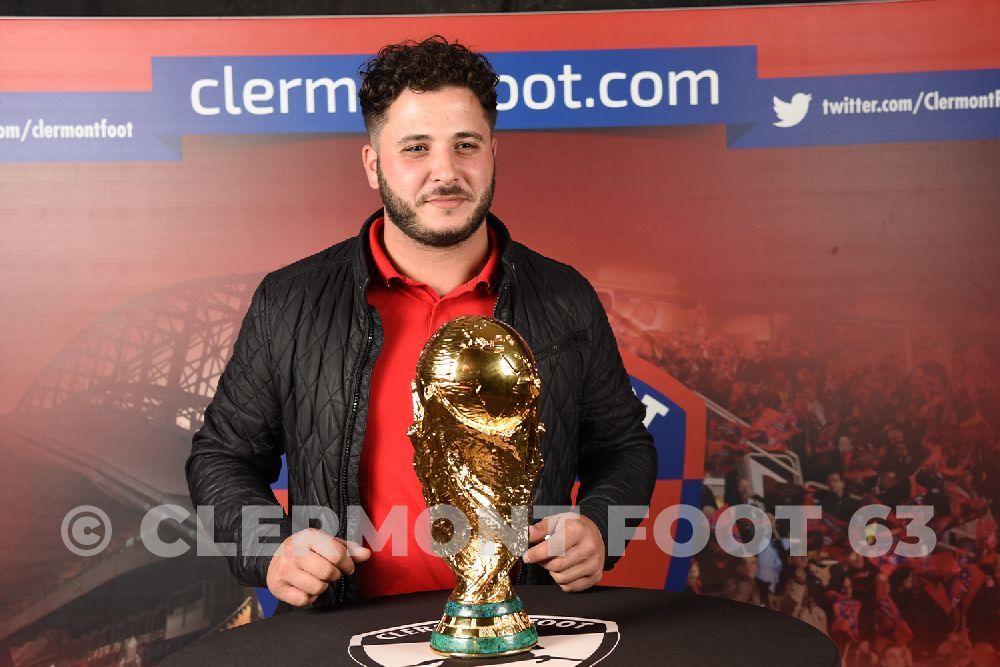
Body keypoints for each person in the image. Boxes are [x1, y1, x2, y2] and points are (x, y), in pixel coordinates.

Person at [185, 35, 657, 611]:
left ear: (492, 153)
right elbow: (222, 457)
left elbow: (624, 447)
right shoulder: (291, 300)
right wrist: (270, 550)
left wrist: (601, 527)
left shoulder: (565, 296)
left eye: (466, 144)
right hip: (344, 632)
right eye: (415, 148)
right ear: (372, 163)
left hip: (523, 626)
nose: (446, 171)